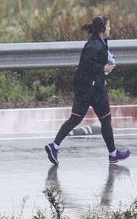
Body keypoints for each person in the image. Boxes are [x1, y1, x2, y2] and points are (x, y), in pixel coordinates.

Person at [46, 16, 130, 164]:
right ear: (102, 29)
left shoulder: (99, 42)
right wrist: (103, 68)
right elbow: (86, 65)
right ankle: (113, 154)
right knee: (103, 120)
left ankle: (55, 146)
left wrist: (107, 64)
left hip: (90, 87)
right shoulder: (94, 46)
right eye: (109, 26)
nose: (111, 29)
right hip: (91, 89)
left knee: (79, 119)